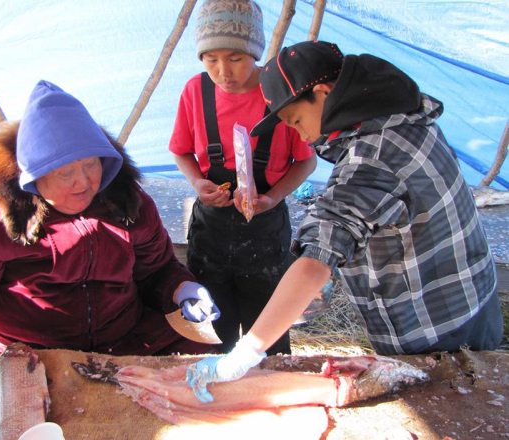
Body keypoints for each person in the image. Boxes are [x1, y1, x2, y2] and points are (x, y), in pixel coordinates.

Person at [186, 40, 504, 402]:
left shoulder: (372, 158)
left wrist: (245, 354)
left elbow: (312, 267)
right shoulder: (399, 114)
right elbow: (387, 207)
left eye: (296, 120)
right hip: (472, 293)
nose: (299, 134)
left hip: (435, 325)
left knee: (450, 407)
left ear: (322, 93)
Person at [0, 80, 220, 355]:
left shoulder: (126, 200)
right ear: (33, 175)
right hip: (29, 351)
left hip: (124, 337)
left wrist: (182, 290)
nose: (84, 183)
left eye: (91, 164)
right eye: (65, 173)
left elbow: (156, 270)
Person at [169, 0, 317, 355]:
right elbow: (180, 151)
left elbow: (306, 162)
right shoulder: (195, 92)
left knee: (266, 329)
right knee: (211, 325)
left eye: (235, 58)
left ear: (255, 51)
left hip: (265, 231)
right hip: (211, 229)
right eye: (211, 59)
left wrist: (273, 198)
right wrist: (198, 184)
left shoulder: (279, 96)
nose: (224, 71)